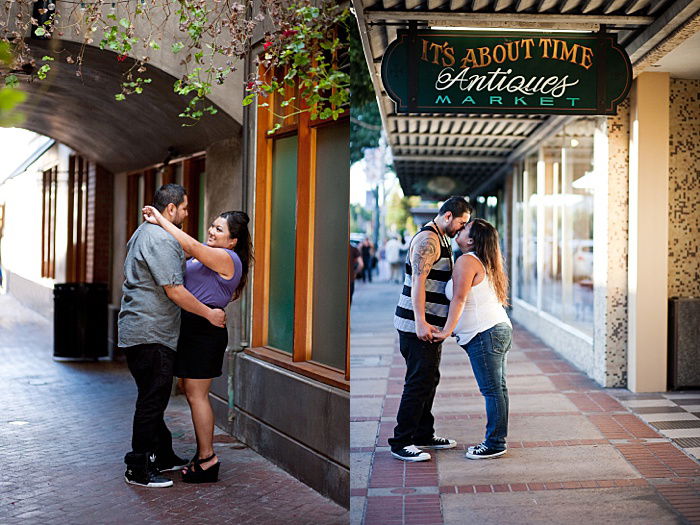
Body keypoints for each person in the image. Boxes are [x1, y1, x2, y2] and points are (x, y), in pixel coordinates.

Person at [119, 184, 226, 488]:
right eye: (185, 207)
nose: (188, 213)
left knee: (153, 398)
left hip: (143, 330)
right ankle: (137, 467)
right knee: (151, 402)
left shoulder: (145, 231)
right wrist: (209, 313)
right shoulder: (161, 239)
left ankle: (162, 455)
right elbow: (175, 290)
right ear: (171, 209)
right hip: (151, 333)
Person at [142, 204, 252, 483]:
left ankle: (207, 458)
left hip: (206, 329)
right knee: (189, 391)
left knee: (196, 394)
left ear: (233, 240)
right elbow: (178, 247)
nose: (212, 231)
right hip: (190, 327)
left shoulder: (227, 258)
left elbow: (187, 243)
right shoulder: (206, 254)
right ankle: (203, 455)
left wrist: (160, 218)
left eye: (219, 229)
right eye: (212, 226)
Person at [389, 196, 473, 461]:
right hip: (418, 327)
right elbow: (417, 283)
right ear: (448, 215)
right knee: (418, 382)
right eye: (461, 222)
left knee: (428, 379)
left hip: (428, 326)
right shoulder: (428, 240)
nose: (462, 228)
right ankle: (401, 441)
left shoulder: (441, 238)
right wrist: (421, 322)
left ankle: (423, 434)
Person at [434, 219, 512, 459]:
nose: (460, 229)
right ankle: (497, 440)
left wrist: (447, 330)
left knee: (492, 390)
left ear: (471, 240)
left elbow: (458, 299)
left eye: (465, 228)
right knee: (497, 389)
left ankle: (495, 443)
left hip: (485, 333)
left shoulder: (467, 260)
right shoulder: (481, 261)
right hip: (495, 330)